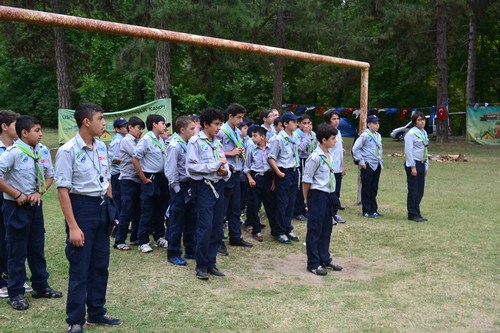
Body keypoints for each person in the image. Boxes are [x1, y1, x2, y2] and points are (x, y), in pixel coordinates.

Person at [56, 103, 122, 333]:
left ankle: (96, 311)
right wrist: (73, 227)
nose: (105, 123)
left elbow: (107, 180)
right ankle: (75, 320)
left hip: (102, 207)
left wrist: (111, 211)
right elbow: (63, 190)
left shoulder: (102, 147)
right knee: (80, 267)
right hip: (81, 208)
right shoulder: (68, 151)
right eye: (101, 118)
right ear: (87, 121)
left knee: (100, 265)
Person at [0, 115, 62, 311]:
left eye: (41, 130)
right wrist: (16, 194)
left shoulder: (42, 150)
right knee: (17, 250)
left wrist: (39, 192)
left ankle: (41, 286)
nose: (41, 134)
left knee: (37, 247)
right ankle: (16, 292)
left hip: (35, 206)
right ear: (24, 133)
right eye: (37, 130)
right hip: (16, 207)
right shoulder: (13, 153)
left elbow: (49, 177)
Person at [186, 108, 231, 280]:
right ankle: (201, 265)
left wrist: (224, 172)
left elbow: (224, 165)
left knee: (216, 227)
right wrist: (214, 167)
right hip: (204, 187)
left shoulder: (217, 142)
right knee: (204, 227)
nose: (219, 127)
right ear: (206, 124)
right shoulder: (195, 142)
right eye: (216, 124)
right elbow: (191, 168)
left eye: (220, 124)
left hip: (218, 186)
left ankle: (211, 262)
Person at [302, 124, 343, 275]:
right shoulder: (314, 157)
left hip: (328, 195)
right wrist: (306, 201)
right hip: (317, 195)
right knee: (315, 230)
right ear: (324, 140)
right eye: (333, 139)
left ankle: (324, 259)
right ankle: (313, 263)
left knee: (327, 228)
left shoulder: (329, 155)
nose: (335, 141)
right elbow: (306, 181)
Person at [132, 114, 170, 253]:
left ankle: (159, 236)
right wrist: (143, 178)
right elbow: (135, 159)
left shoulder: (161, 139)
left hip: (162, 178)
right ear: (154, 124)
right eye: (162, 123)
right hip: (150, 178)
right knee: (147, 209)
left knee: (161, 208)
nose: (164, 126)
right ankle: (143, 240)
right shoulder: (146, 140)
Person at [217, 103, 252, 250]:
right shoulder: (222, 132)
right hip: (226, 173)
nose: (240, 121)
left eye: (242, 117)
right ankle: (218, 240)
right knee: (222, 209)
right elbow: (216, 151)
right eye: (238, 117)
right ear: (230, 116)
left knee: (235, 207)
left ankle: (235, 236)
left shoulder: (237, 131)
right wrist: (230, 153)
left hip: (237, 172)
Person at [165, 116, 197, 265]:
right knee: (177, 220)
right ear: (182, 130)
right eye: (191, 129)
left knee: (191, 219)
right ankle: (173, 252)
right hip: (179, 187)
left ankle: (190, 249)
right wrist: (177, 189)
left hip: (190, 185)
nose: (194, 131)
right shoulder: (174, 146)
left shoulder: (188, 143)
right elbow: (170, 170)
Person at [267, 111, 302, 244]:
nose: (296, 124)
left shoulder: (294, 137)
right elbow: (271, 158)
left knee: (291, 202)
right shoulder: (278, 139)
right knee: (282, 202)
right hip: (283, 172)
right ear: (285, 124)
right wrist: (279, 173)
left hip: (294, 171)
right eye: (293, 122)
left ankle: (287, 228)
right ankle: (279, 231)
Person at [113, 116, 145, 250]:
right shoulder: (126, 141)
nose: (140, 131)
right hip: (128, 180)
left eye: (142, 129)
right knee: (126, 210)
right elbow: (138, 154)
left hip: (138, 179)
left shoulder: (138, 140)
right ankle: (119, 240)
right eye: (138, 128)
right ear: (130, 128)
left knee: (138, 209)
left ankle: (135, 237)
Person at [0, 110, 20, 299]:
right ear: (4, 127)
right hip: (2, 194)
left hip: (13, 200)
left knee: (11, 238)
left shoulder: (19, 148)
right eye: (16, 124)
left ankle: (12, 274)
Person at [244, 126, 276, 242]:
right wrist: (250, 178)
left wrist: (273, 180)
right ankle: (256, 230)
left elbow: (274, 165)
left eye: (255, 136)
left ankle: (275, 229)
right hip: (255, 177)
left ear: (262, 137)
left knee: (270, 205)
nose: (252, 138)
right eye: (252, 136)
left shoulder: (270, 148)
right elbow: (246, 166)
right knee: (254, 205)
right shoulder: (251, 148)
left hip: (268, 177)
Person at [352, 115, 384, 218]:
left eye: (378, 123)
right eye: (374, 123)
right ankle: (366, 210)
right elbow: (355, 148)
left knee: (374, 188)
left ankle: (374, 209)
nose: (377, 125)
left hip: (377, 164)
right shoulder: (365, 135)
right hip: (368, 164)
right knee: (366, 187)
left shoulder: (378, 135)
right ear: (369, 124)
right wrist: (361, 161)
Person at [404, 111, 429, 222]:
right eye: (419, 119)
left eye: (423, 119)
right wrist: (412, 166)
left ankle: (417, 211)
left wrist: (426, 165)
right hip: (413, 162)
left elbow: (425, 149)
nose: (422, 121)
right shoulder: (411, 134)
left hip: (422, 162)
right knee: (413, 189)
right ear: (414, 122)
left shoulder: (424, 133)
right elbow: (408, 151)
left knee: (420, 190)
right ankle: (412, 213)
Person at [324, 109, 346, 223]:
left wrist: (342, 166)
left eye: (338, 119)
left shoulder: (338, 132)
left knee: (336, 192)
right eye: (334, 119)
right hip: (329, 167)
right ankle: (328, 215)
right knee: (329, 192)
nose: (336, 121)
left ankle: (334, 213)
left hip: (337, 167)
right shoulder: (326, 133)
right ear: (328, 120)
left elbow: (340, 152)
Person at [293, 114, 316, 221]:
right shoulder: (296, 134)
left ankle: (306, 209)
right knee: (301, 186)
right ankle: (298, 211)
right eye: (304, 123)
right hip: (301, 161)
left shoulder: (313, 134)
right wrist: (306, 135)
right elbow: (301, 148)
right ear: (299, 124)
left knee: (310, 185)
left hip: (310, 160)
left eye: (309, 123)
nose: (307, 125)